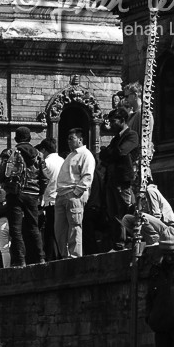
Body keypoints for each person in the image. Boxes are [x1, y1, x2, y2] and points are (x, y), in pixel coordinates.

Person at [91, 108, 138, 253]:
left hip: (123, 180)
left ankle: (129, 241)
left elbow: (120, 152)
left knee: (125, 210)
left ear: (122, 121)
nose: (111, 124)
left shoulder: (131, 135)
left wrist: (107, 152)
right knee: (113, 214)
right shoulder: (116, 139)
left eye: (113, 121)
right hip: (111, 179)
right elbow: (105, 156)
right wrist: (107, 153)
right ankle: (118, 243)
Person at [2, 127, 48, 266]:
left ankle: (21, 260)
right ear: (29, 138)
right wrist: (40, 192)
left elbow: (2, 174)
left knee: (16, 229)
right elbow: (45, 178)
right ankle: (40, 258)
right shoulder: (39, 154)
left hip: (15, 193)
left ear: (16, 138)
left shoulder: (11, 152)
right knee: (34, 226)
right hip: (33, 194)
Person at [57, 128, 95, 258]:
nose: (69, 141)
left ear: (80, 139)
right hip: (62, 194)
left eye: (71, 138)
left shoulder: (85, 154)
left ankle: (75, 256)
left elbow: (87, 176)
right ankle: (64, 255)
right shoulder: (70, 155)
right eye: (68, 139)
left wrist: (76, 192)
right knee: (60, 230)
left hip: (73, 194)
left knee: (75, 226)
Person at [40, 137, 63, 259]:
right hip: (61, 197)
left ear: (44, 150)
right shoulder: (63, 160)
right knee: (60, 229)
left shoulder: (46, 163)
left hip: (50, 200)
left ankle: (50, 257)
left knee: (50, 231)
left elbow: (43, 181)